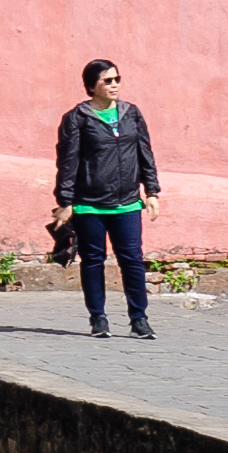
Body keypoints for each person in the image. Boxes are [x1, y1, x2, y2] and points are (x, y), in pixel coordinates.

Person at [50, 57, 162, 338]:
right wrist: (65, 202)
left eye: (117, 79)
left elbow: (145, 154)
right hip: (90, 204)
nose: (114, 85)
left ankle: (139, 319)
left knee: (132, 260)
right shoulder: (76, 118)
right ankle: (98, 318)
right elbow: (68, 162)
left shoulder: (131, 113)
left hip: (126, 203)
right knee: (93, 260)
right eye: (107, 81)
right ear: (91, 86)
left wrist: (152, 192)